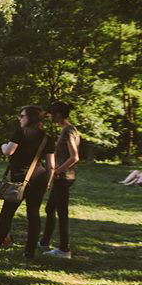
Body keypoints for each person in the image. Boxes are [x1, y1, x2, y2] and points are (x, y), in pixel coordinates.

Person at [0, 106, 54, 258]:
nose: (20, 118)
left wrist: (3, 145)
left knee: (7, 215)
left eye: (22, 116)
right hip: (40, 178)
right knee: (34, 214)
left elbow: (8, 151)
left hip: (20, 180)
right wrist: (48, 182)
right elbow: (52, 165)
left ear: (30, 118)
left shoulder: (21, 132)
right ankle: (29, 253)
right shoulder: (46, 137)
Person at [39, 101, 81, 258]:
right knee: (50, 209)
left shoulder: (69, 131)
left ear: (57, 114)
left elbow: (74, 157)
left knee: (62, 213)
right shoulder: (69, 130)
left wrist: (56, 171)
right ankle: (44, 243)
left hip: (63, 177)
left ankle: (64, 249)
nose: (49, 116)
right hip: (62, 176)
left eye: (51, 113)